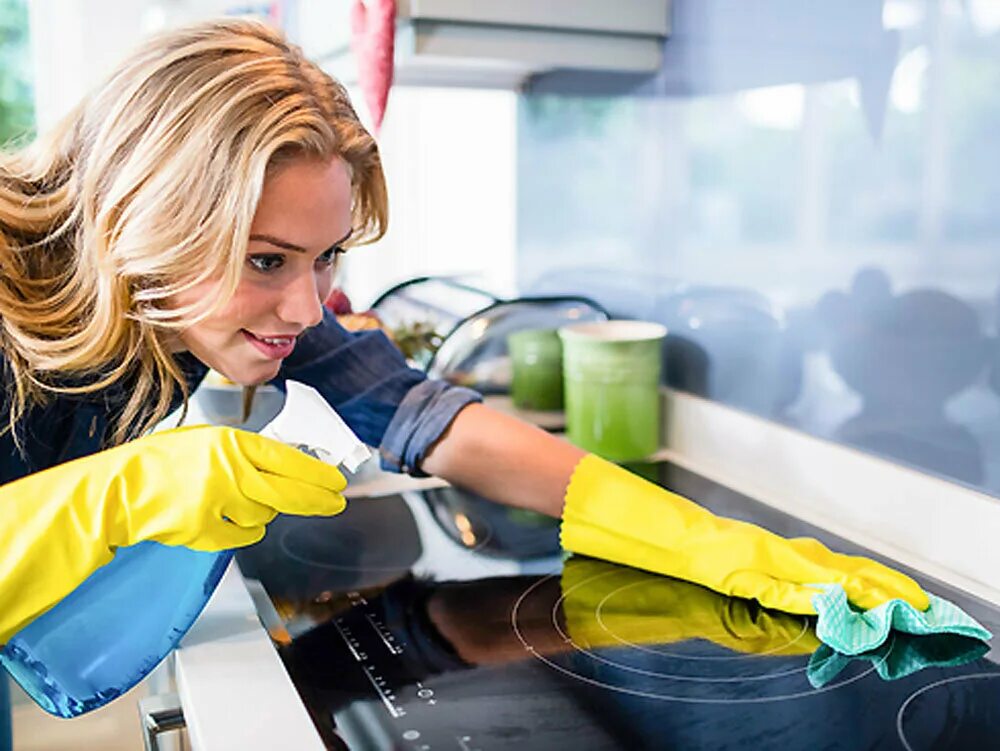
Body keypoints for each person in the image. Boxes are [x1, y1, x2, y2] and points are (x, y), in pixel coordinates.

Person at [0, 18, 927, 663]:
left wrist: (713, 543)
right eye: (268, 259)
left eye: (324, 258)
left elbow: (430, 419)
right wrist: (113, 498)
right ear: (148, 218)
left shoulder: (204, 297)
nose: (305, 308)